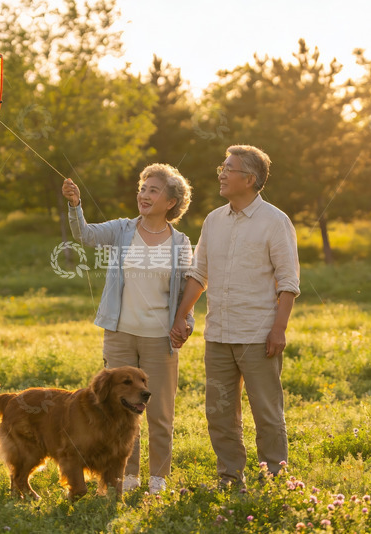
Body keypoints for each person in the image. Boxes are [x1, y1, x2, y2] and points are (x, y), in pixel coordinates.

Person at [170, 145, 300, 487]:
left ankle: (273, 478)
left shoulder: (275, 221)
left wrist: (279, 329)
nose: (222, 175)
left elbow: (288, 282)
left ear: (250, 179)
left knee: (267, 414)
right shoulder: (214, 220)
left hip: (258, 337)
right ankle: (230, 478)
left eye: (229, 169)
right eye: (221, 168)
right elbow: (199, 274)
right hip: (218, 336)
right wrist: (181, 317)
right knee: (220, 414)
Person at [62, 163, 194, 495]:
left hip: (159, 338)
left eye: (153, 190)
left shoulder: (180, 243)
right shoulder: (123, 229)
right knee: (117, 410)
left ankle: (158, 478)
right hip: (120, 333)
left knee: (159, 411)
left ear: (171, 202)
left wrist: (186, 324)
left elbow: (186, 294)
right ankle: (126, 475)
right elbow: (85, 235)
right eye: (142, 188)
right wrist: (75, 205)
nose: (144, 194)